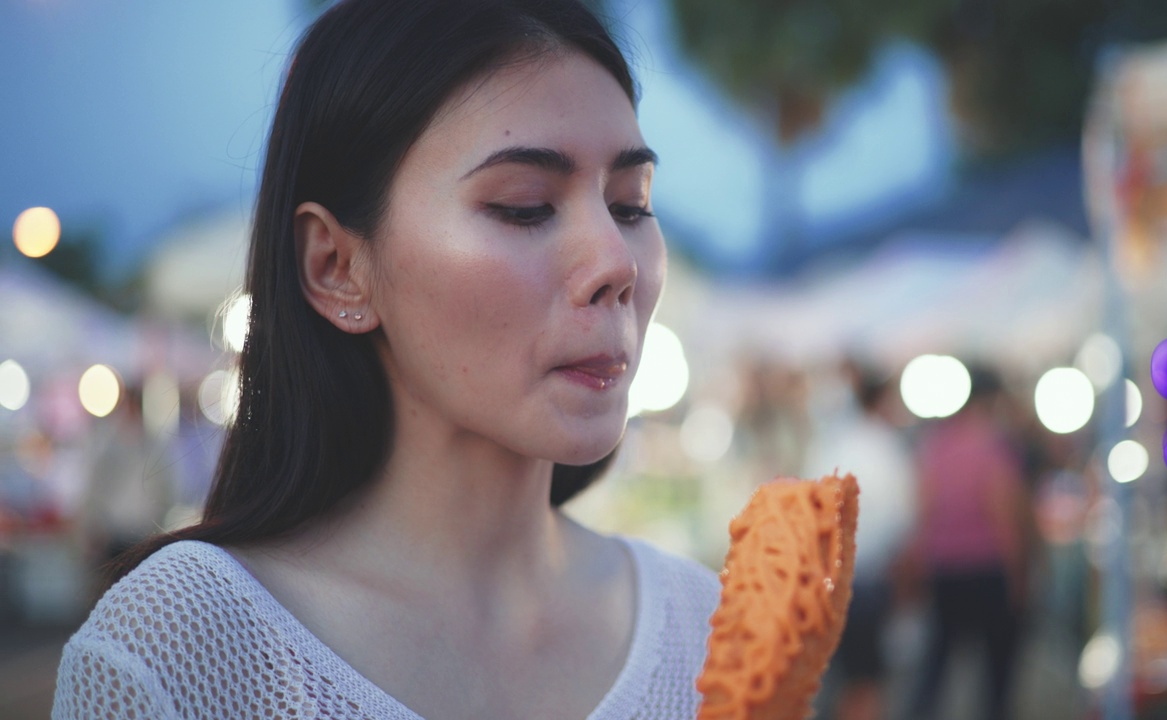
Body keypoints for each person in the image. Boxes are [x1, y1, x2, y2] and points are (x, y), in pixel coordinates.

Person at [53, 1, 722, 717]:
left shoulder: (709, 632)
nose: (617, 264)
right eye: (526, 206)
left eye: (630, 204)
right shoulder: (183, 649)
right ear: (338, 266)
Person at [904, 367, 1029, 720]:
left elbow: (923, 512)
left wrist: (918, 566)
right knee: (996, 673)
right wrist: (1018, 573)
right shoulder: (993, 448)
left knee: (936, 666)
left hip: (945, 570)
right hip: (986, 569)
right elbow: (1002, 514)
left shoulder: (935, 446)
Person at [805, 363, 915, 720]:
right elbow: (904, 520)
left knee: (826, 680)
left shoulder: (834, 442)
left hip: (826, 578)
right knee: (865, 682)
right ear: (881, 400)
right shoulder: (887, 450)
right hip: (867, 580)